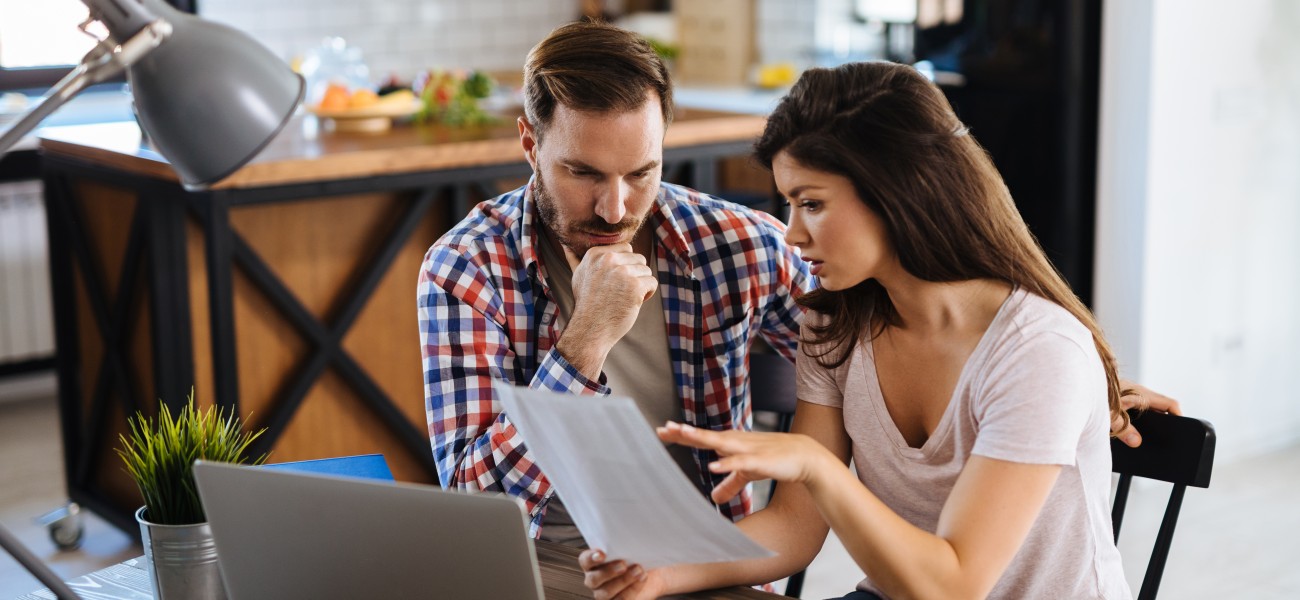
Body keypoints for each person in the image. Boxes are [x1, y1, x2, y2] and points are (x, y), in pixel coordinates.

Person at [579, 62, 1155, 599]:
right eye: (788, 204)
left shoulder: (1037, 352)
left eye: (812, 203)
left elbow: (955, 585)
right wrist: (659, 571)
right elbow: (794, 529)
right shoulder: (836, 324)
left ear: (897, 191)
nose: (793, 235)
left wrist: (818, 467)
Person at [416, 21, 812, 544]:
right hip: (545, 568)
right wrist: (584, 343)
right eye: (583, 174)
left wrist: (798, 497)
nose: (615, 209)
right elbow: (477, 511)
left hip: (709, 564)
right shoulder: (466, 268)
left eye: (641, 173)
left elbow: (865, 370)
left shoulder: (739, 244)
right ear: (531, 144)